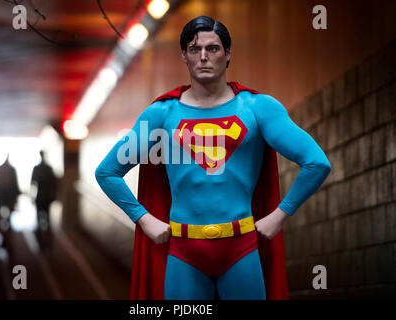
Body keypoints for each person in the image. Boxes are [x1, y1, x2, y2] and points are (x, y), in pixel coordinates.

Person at [95, 16, 331, 300]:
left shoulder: (258, 109)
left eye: (213, 48)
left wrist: (279, 216)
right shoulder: (162, 114)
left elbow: (317, 162)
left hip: (240, 247)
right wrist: (144, 219)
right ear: (184, 55)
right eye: (195, 49)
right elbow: (107, 172)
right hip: (184, 251)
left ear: (228, 54)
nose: (204, 57)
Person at [0, 154, 21, 238]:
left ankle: (1, 230)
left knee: (1, 214)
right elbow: (15, 185)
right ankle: (4, 231)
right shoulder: (10, 170)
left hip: (2, 197)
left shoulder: (0, 169)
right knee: (4, 214)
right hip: (7, 197)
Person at [30, 151, 58, 232]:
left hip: (41, 195)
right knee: (46, 215)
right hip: (46, 195)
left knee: (40, 215)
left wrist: (32, 197)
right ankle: (46, 233)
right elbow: (54, 184)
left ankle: (41, 232)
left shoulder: (37, 168)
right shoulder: (48, 168)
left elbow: (32, 183)